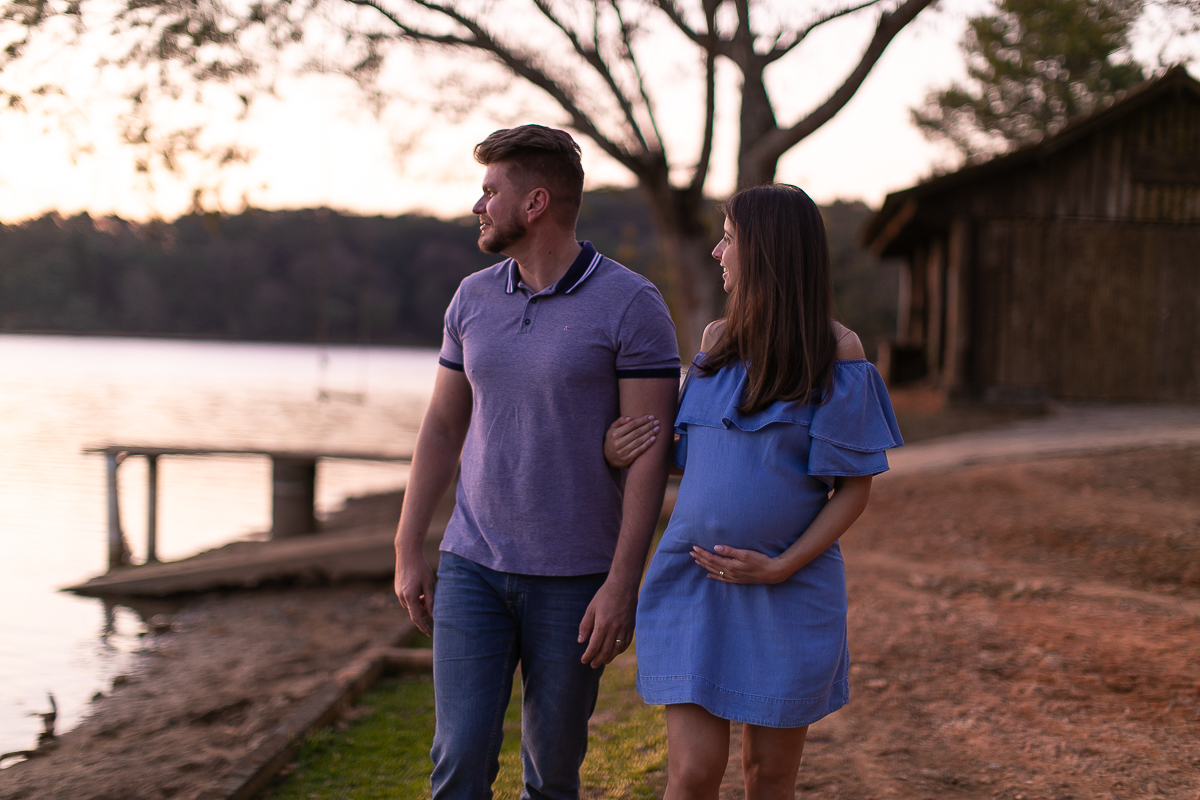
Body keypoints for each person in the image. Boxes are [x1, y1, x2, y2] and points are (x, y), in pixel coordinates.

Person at [394, 124, 680, 800]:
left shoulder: (632, 305)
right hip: (473, 567)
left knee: (552, 772)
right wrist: (409, 546)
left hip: (576, 579)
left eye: (490, 190)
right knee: (459, 761)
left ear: (535, 203)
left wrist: (621, 584)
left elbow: (647, 454)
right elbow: (441, 426)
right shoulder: (472, 298)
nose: (478, 205)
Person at [604, 184, 903, 800]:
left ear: (766, 251)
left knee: (768, 778)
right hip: (695, 584)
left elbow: (852, 491)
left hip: (789, 590)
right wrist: (615, 449)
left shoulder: (838, 354)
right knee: (691, 775)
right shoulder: (714, 344)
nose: (717, 252)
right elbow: (685, 461)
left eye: (730, 239)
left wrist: (781, 567)